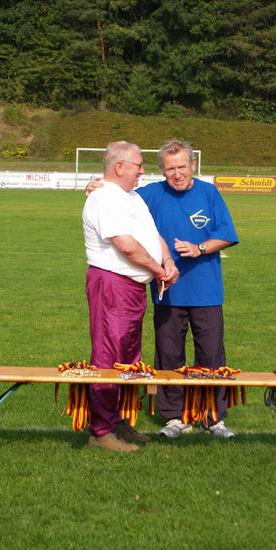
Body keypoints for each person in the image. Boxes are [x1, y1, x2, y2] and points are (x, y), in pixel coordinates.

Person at [86, 139, 239, 439]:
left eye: (182, 166)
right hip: (167, 292)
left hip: (206, 290)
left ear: (193, 164)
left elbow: (227, 234)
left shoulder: (209, 193)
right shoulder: (150, 194)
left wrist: (199, 248)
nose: (177, 174)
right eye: (170, 169)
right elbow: (116, 190)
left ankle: (213, 417)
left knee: (211, 354)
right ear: (163, 170)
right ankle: (174, 416)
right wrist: (95, 184)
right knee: (169, 355)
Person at [82, 141, 179, 452]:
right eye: (138, 164)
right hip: (112, 285)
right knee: (108, 355)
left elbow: (152, 235)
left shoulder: (132, 197)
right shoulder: (103, 198)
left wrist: (167, 260)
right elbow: (126, 245)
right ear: (119, 166)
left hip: (133, 288)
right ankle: (100, 430)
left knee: (128, 356)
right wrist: (159, 271)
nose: (142, 170)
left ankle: (118, 421)